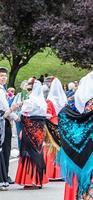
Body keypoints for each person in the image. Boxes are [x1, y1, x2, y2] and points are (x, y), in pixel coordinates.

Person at [57, 71, 93, 200]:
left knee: (86, 178)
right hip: (90, 149)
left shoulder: (74, 105)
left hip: (86, 150)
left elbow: (63, 115)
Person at [15, 78, 48, 188]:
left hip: (30, 129)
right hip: (40, 129)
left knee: (28, 152)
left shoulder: (29, 101)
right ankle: (39, 180)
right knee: (38, 151)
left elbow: (23, 116)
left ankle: (30, 180)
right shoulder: (43, 102)